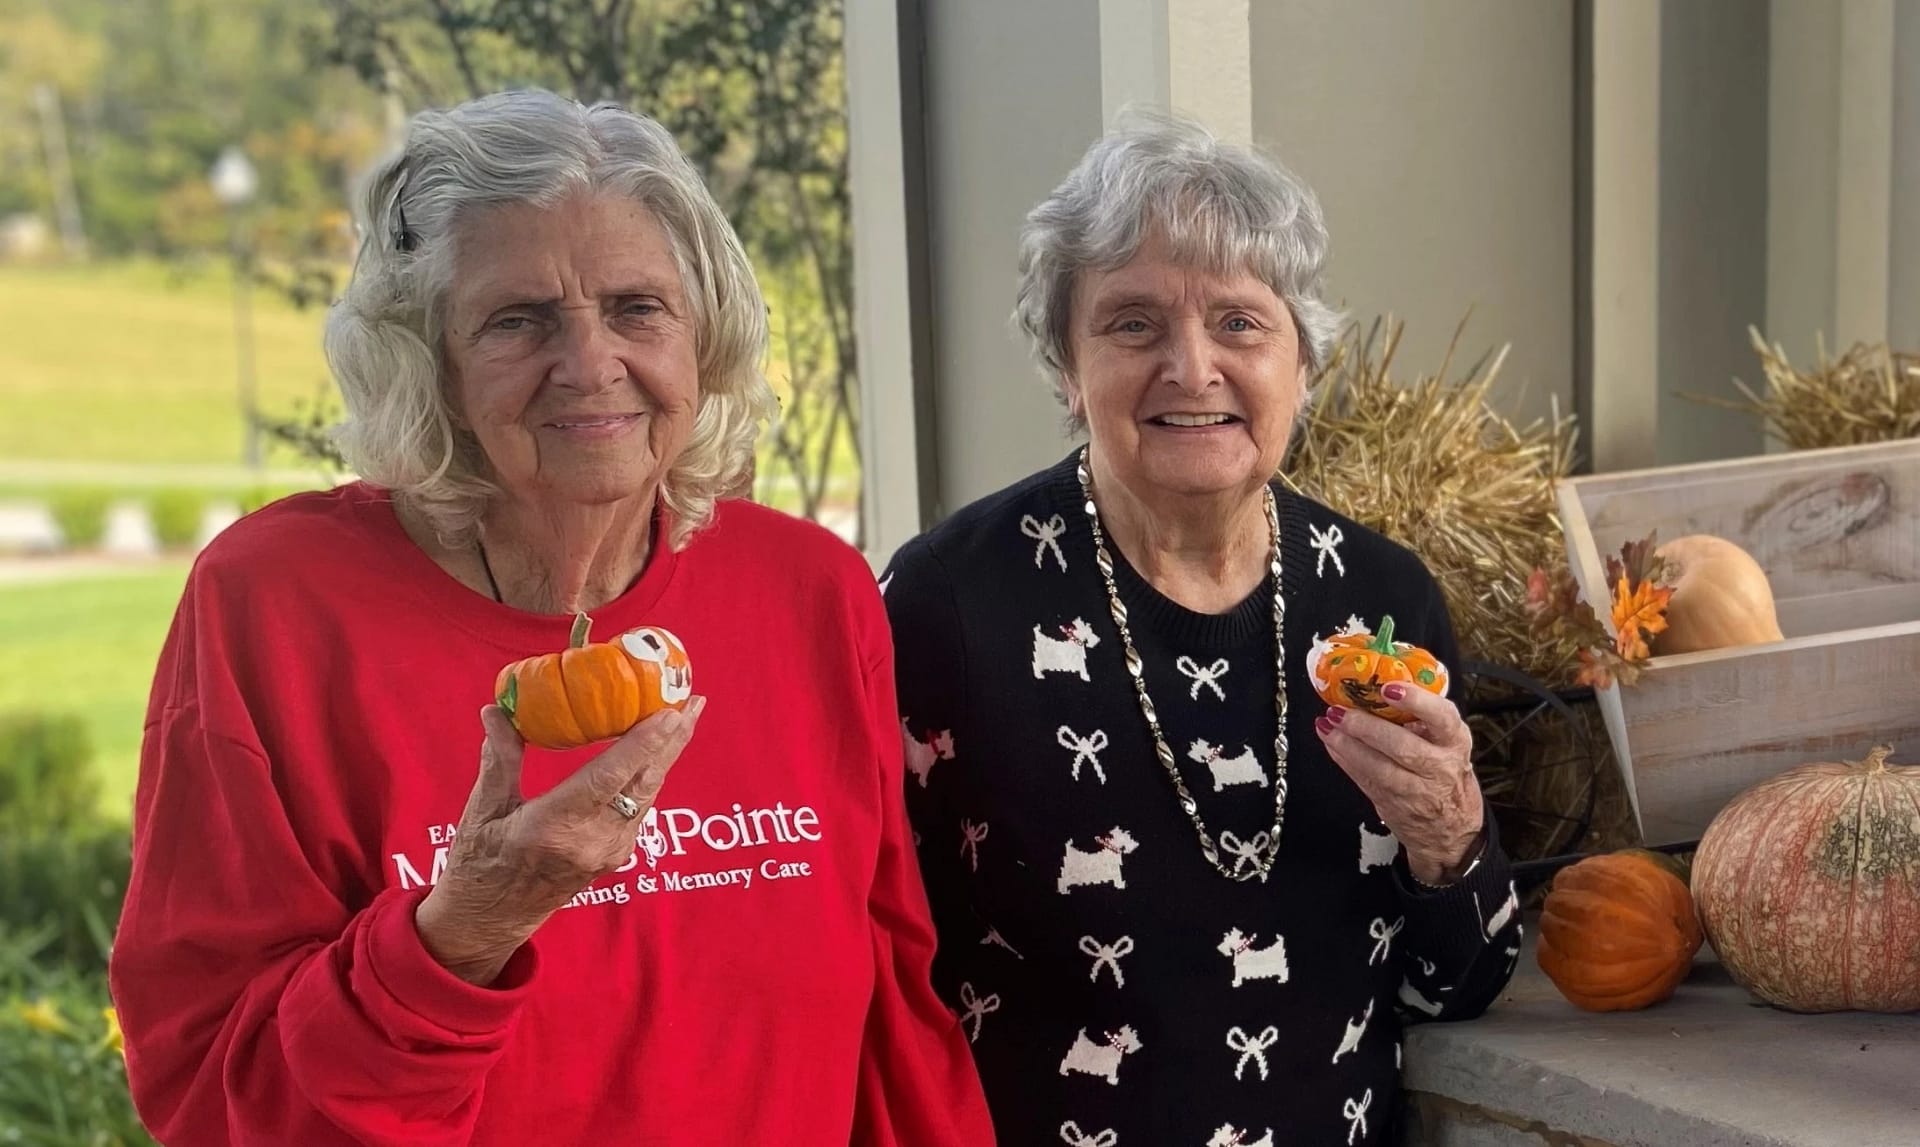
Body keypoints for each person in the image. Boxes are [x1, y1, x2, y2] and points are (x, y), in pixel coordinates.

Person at [108, 89, 993, 1147]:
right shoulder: (275, 607)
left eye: (636, 307)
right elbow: (214, 1094)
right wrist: (462, 929)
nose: (589, 366)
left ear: (702, 336)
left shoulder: (807, 591)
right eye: (517, 321)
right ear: (427, 359)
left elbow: (893, 1010)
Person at [879, 109, 1522, 1146]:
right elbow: (871, 965)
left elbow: (1463, 981)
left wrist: (1450, 840)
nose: (1191, 366)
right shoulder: (946, 604)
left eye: (1239, 322)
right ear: (1065, 364)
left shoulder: (1379, 600)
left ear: (1303, 360)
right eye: (1133, 323)